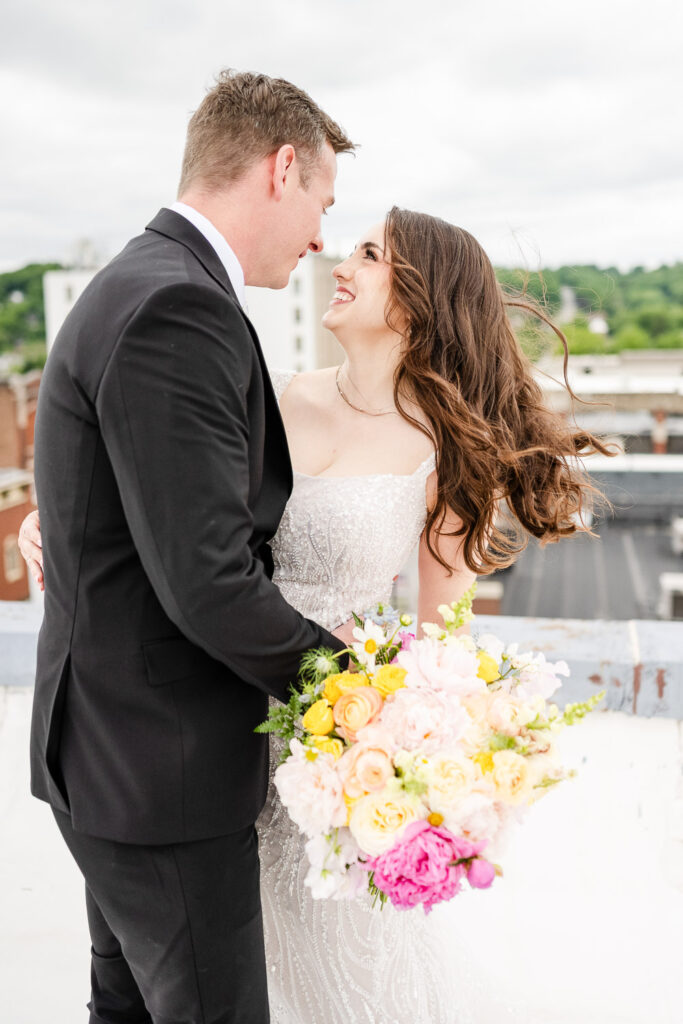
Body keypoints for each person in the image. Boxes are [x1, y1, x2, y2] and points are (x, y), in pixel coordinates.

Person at [21, 201, 611, 1021]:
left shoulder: (445, 452)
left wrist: (410, 759)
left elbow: (442, 644)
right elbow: (171, 512)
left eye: (369, 255)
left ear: (420, 297)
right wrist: (48, 518)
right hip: (205, 727)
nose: (340, 263)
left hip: (334, 756)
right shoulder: (276, 396)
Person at [25, 70, 356, 1024]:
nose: (321, 239)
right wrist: (355, 695)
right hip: (157, 769)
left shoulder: (144, 281)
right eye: (323, 204)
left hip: (118, 758)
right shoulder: (179, 306)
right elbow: (209, 581)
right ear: (281, 168)